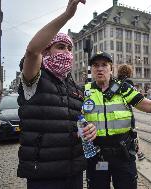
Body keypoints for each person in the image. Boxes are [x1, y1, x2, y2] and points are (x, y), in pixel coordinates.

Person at [17, 1, 96, 189]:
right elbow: (32, 50)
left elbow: (78, 121)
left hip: (74, 171)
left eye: (69, 49)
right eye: (60, 47)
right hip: (44, 175)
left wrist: (90, 129)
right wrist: (67, 15)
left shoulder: (73, 86)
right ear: (46, 51)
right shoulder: (35, 78)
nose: (67, 53)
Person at [84, 51, 151, 189]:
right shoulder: (84, 91)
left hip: (123, 155)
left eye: (104, 65)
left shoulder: (123, 88)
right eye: (96, 65)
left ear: (111, 68)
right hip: (97, 156)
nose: (100, 68)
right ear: (92, 69)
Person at [117, 64, 145, 161]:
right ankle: (138, 153)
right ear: (129, 73)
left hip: (117, 113)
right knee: (132, 133)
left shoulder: (116, 82)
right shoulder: (128, 83)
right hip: (127, 112)